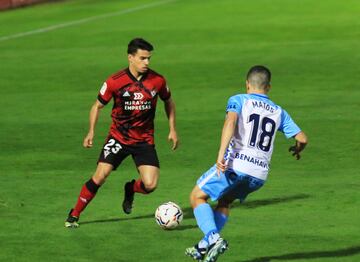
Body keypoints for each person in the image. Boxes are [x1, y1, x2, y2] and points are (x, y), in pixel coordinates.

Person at [185, 65, 308, 261]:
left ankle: (214, 238)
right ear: (268, 87)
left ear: (247, 84)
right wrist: (298, 149)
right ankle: (202, 247)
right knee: (225, 201)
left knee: (196, 197)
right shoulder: (279, 111)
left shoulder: (239, 100)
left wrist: (220, 154)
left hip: (236, 165)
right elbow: (302, 138)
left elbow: (230, 122)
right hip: (259, 175)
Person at [65, 38, 179, 228]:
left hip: (144, 140)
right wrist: (91, 132)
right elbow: (97, 106)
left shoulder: (157, 80)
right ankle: (74, 215)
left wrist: (172, 128)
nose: (147, 63)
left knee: (150, 185)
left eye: (149, 58)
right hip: (118, 138)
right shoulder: (114, 81)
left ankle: (130, 188)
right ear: (130, 58)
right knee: (100, 175)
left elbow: (169, 101)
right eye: (143, 58)